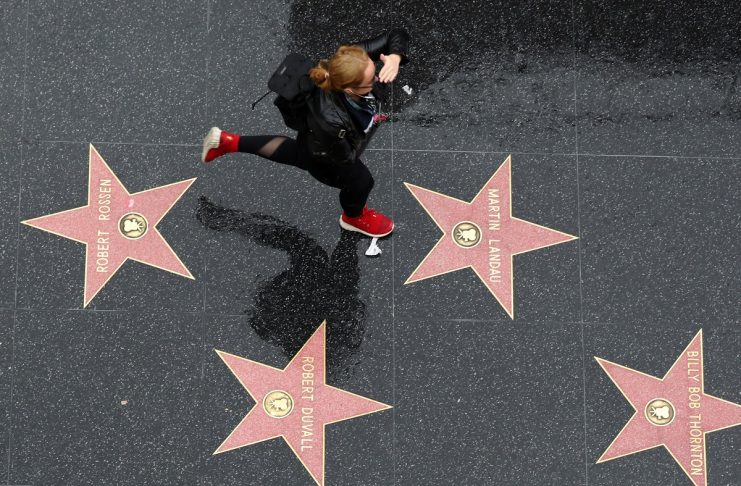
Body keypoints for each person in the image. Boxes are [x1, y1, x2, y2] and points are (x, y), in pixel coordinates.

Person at [201, 29, 410, 238]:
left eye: (374, 70)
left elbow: (396, 35)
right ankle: (353, 218)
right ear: (349, 90)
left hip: (314, 138)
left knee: (295, 152)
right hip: (324, 157)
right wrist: (373, 122)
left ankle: (226, 142)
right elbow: (346, 158)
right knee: (361, 182)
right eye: (371, 80)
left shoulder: (350, 61)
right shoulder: (331, 120)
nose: (378, 77)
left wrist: (394, 57)